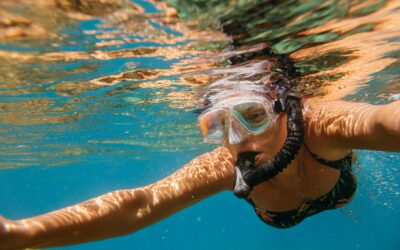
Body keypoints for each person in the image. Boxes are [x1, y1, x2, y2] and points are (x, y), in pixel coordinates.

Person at [1, 81, 399, 250]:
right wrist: (18, 234)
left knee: (350, 202)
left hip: (339, 190)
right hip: (290, 209)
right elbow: (141, 203)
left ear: (283, 110)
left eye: (252, 114)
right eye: (218, 125)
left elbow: (382, 122)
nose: (238, 137)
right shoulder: (223, 166)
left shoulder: (322, 127)